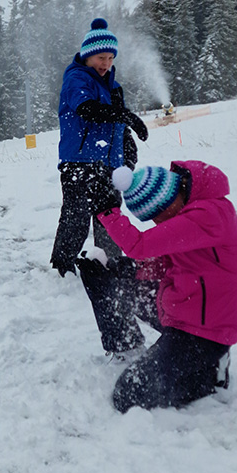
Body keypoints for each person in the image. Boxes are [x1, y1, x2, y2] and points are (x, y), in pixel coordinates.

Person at [77, 161, 237, 412]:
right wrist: (127, 269)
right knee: (102, 274)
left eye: (157, 216)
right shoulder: (188, 213)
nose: (158, 223)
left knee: (128, 395)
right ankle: (125, 346)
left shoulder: (208, 216)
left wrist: (107, 212)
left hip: (205, 333)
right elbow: (167, 262)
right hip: (183, 308)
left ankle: (210, 372)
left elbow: (139, 245)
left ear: (167, 200)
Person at [50, 18, 150, 279]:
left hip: (108, 165)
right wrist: (127, 116)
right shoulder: (76, 79)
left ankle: (112, 266)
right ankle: (62, 269)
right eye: (100, 57)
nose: (105, 63)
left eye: (110, 58)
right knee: (76, 218)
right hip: (79, 163)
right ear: (87, 56)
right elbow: (87, 109)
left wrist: (127, 154)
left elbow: (117, 125)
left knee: (111, 218)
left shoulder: (114, 88)